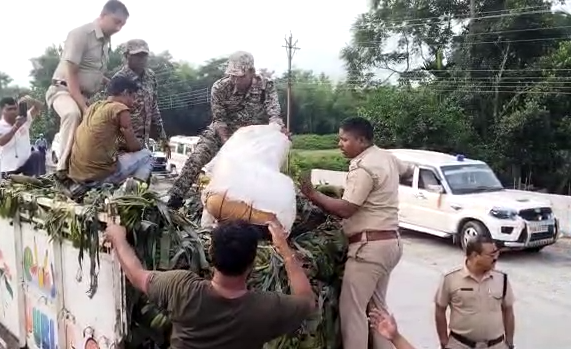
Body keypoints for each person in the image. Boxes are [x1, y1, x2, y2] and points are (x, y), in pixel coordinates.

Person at [104, 219, 316, 349]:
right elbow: (307, 300)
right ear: (251, 263)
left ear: (211, 254)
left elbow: (136, 275)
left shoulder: (182, 288)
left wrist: (118, 238)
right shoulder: (266, 308)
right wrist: (285, 251)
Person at [298, 116, 413, 349]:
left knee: (353, 310)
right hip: (391, 242)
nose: (340, 143)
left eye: (344, 139)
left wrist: (313, 195)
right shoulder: (385, 156)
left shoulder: (363, 167)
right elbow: (408, 170)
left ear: (361, 141)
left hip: (369, 248)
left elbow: (347, 208)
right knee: (378, 310)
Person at [166, 51, 287, 209]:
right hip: (222, 133)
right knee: (197, 157)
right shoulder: (220, 87)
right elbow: (219, 120)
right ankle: (175, 198)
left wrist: (276, 131)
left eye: (240, 76)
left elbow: (274, 115)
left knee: (258, 171)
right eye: (232, 75)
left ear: (251, 72)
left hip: (252, 137)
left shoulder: (266, 86)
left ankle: (256, 206)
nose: (235, 80)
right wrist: (228, 143)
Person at [46, 0, 129, 177]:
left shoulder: (105, 43)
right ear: (103, 15)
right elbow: (71, 74)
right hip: (63, 90)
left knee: (99, 123)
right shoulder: (80, 34)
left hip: (83, 95)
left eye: (122, 24)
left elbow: (94, 73)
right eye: (116, 21)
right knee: (73, 114)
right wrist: (84, 107)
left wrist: (114, 84)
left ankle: (88, 172)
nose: (119, 27)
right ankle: (63, 170)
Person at [68, 76, 153, 187]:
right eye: (133, 97)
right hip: (98, 178)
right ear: (125, 92)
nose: (133, 102)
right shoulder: (120, 109)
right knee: (147, 155)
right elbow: (134, 147)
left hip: (77, 176)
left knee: (117, 157)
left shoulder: (94, 107)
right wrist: (133, 142)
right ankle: (135, 190)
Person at [435, 235, 515, 349]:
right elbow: (439, 309)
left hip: (496, 345)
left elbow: (508, 310)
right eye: (491, 255)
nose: (496, 258)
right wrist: (444, 341)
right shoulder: (450, 278)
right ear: (475, 256)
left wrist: (509, 342)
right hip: (460, 344)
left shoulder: (502, 278)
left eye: (497, 253)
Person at [112, 39, 170, 157]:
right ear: (127, 56)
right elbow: (109, 113)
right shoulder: (119, 79)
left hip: (143, 143)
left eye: (144, 55)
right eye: (137, 55)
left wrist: (162, 138)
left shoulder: (151, 77)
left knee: (143, 172)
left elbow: (154, 107)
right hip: (121, 145)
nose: (142, 59)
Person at [0, 97, 43, 178]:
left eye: (15, 108)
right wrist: (16, 126)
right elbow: (0, 142)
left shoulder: (25, 119)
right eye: (9, 109)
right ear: (2, 110)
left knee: (37, 155)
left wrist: (31, 100)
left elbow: (40, 106)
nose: (13, 112)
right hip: (9, 169)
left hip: (27, 167)